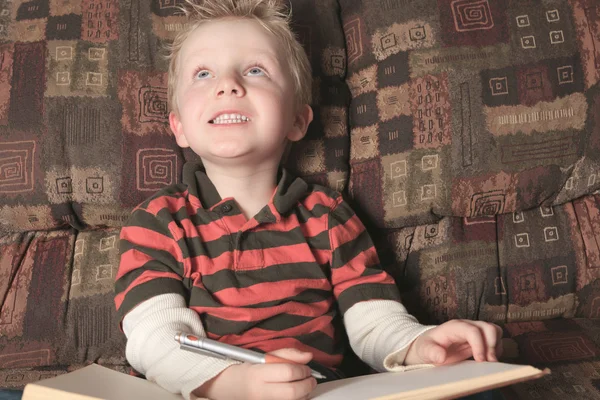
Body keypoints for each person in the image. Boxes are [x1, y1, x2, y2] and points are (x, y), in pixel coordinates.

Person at [114, 1, 503, 399]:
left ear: (298, 119)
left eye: (255, 70)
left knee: (478, 389)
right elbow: (155, 340)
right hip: (209, 390)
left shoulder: (328, 216)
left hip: (315, 390)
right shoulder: (157, 223)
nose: (227, 84)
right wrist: (232, 383)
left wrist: (421, 345)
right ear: (178, 126)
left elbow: (373, 320)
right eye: (203, 73)